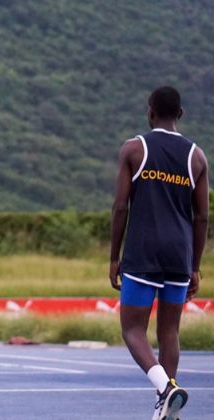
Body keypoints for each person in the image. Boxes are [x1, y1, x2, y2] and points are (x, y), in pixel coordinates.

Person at [109, 86, 207, 420]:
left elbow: (121, 206)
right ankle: (169, 411)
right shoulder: (197, 157)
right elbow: (202, 217)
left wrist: (113, 257)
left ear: (150, 112)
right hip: (179, 254)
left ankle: (165, 389)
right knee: (170, 332)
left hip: (143, 253)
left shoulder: (134, 149)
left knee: (132, 329)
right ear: (180, 114)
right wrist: (194, 266)